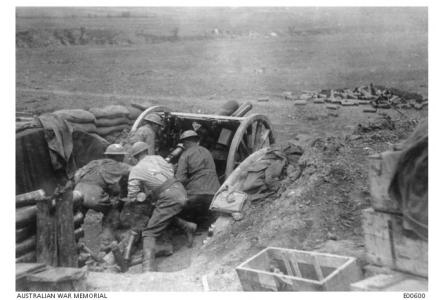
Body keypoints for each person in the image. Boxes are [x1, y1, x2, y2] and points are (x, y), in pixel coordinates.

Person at [127, 141, 196, 272]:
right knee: (162, 213)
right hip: (180, 189)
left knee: (149, 232)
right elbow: (169, 171)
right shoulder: (158, 158)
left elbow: (132, 194)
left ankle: (148, 269)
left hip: (168, 196)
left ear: (135, 157)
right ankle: (188, 226)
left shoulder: (136, 170)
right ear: (146, 151)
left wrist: (140, 195)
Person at [73, 144, 131, 249]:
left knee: (79, 218)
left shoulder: (94, 162)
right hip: (93, 193)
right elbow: (134, 170)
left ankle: (77, 244)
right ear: (119, 156)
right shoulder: (117, 165)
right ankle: (106, 242)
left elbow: (77, 175)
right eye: (122, 155)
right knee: (111, 213)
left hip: (78, 191)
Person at [175, 130, 220, 223]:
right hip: (214, 192)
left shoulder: (185, 154)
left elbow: (180, 179)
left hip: (196, 194)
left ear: (186, 142)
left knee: (175, 205)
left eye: (183, 144)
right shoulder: (207, 151)